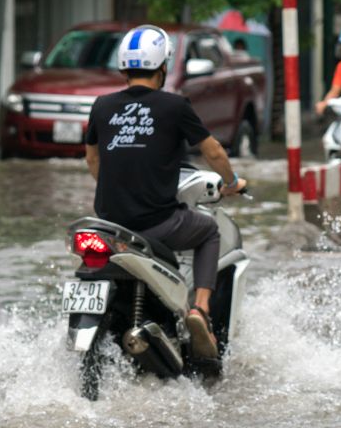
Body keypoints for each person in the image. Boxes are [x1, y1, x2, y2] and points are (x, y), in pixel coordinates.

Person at [85, 25, 246, 361]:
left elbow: (93, 157)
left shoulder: (101, 106)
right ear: (162, 67)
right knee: (208, 231)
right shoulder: (175, 106)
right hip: (158, 224)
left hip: (111, 225)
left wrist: (113, 188)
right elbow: (213, 151)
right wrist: (231, 183)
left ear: (123, 67)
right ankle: (199, 309)